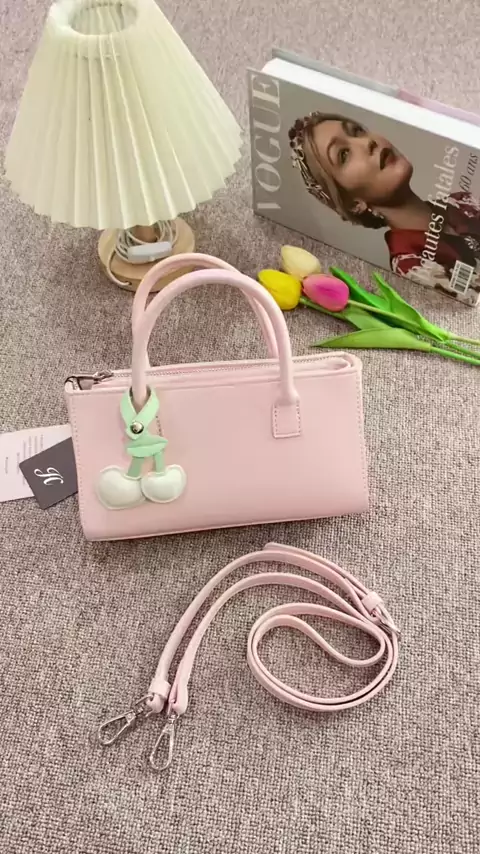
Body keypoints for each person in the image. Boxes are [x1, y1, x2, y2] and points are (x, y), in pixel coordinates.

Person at [288, 112, 480, 300]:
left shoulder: (462, 200)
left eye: (357, 131)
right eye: (344, 154)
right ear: (354, 204)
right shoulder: (411, 264)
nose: (368, 142)